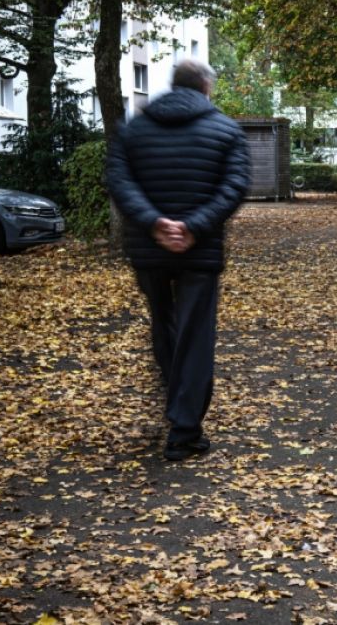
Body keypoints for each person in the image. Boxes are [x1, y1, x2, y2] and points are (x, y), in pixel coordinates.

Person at [105, 59, 251, 461]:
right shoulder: (225, 130)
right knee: (195, 334)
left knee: (164, 325)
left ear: (174, 86)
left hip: (149, 250)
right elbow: (235, 185)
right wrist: (193, 228)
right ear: (206, 87)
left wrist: (154, 224)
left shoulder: (132, 129)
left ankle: (177, 399)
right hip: (198, 251)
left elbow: (118, 180)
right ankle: (185, 430)